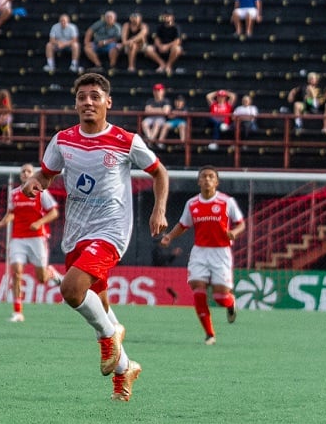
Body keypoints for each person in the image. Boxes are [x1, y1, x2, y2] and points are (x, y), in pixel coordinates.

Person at [21, 72, 169, 403]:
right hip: (76, 234)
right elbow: (45, 175)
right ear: (75, 103)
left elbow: (160, 172)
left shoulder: (125, 140)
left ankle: (109, 336)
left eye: (95, 96)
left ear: (107, 103)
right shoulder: (62, 140)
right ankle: (125, 370)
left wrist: (158, 210)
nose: (88, 102)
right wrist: (35, 184)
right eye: (82, 97)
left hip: (112, 230)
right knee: (98, 305)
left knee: (71, 289)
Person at [159, 166, 246, 345]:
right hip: (200, 252)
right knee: (198, 291)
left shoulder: (226, 202)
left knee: (220, 298)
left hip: (221, 253)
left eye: (211, 176)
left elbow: (241, 224)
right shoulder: (192, 204)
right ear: (199, 181)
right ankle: (210, 334)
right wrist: (169, 236)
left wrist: (235, 233)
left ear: (217, 182)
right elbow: (183, 225)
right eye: (203, 176)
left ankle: (231, 304)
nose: (207, 179)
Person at [0, 163, 62, 323]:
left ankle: (51, 272)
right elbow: (11, 214)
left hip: (37, 238)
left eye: (29, 171)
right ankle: (18, 312)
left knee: (42, 278)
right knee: (16, 272)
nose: (25, 173)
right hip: (18, 238)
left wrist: (39, 223)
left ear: (33, 174)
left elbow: (54, 212)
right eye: (23, 171)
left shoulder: (40, 192)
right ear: (20, 175)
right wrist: (3, 222)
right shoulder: (14, 194)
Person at [144, 11, 185, 76]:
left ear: (172, 17)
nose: (166, 18)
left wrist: (167, 46)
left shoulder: (176, 27)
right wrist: (160, 46)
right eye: (165, 16)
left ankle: (168, 65)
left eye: (168, 16)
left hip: (171, 47)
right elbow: (157, 39)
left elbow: (178, 41)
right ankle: (162, 64)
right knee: (148, 49)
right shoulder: (160, 27)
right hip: (161, 47)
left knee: (177, 49)